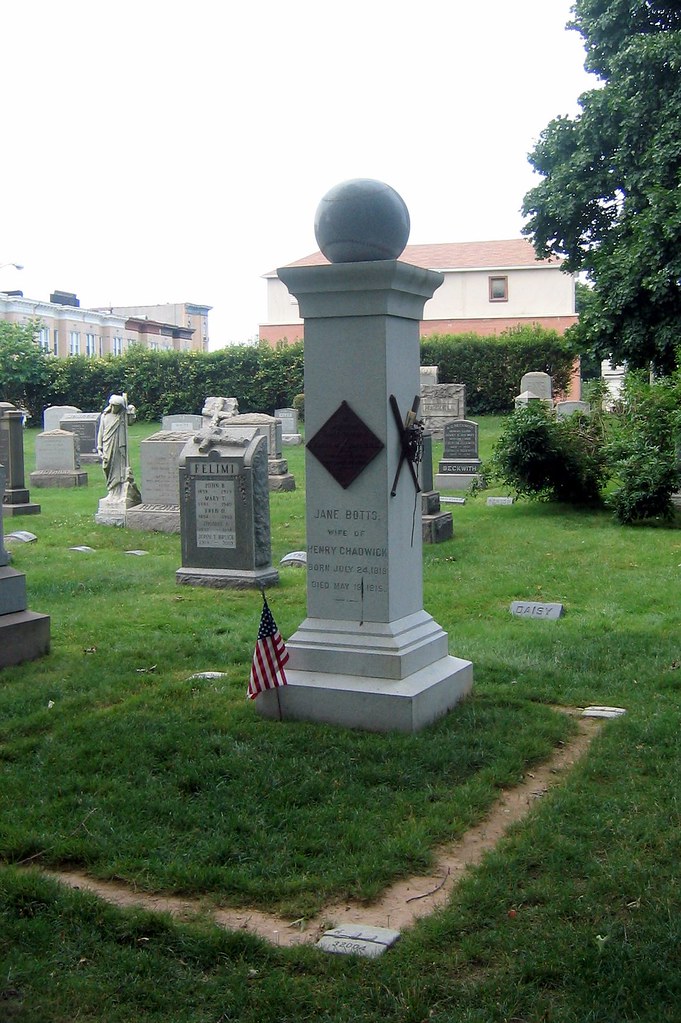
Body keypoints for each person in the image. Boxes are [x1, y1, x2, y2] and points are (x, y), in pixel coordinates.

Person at [97, 394, 136, 500]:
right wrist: (99, 446)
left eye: (118, 406)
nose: (115, 408)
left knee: (119, 467)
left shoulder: (122, 416)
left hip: (119, 445)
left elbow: (130, 422)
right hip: (107, 444)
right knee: (106, 466)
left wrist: (131, 412)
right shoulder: (105, 416)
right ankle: (111, 490)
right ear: (110, 405)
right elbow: (101, 432)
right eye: (114, 405)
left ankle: (118, 491)